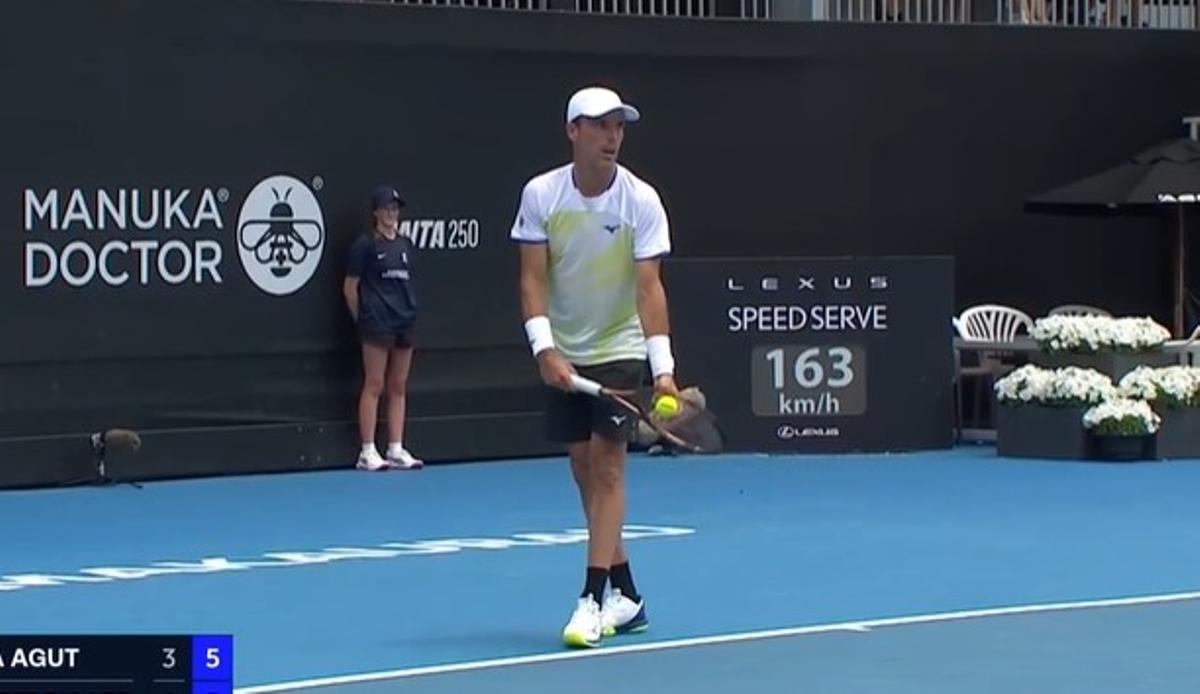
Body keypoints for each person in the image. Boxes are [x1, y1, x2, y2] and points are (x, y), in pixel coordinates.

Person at [510, 85, 680, 648]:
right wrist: (545, 350)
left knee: (608, 469)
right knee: (583, 470)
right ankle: (628, 594)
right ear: (572, 132)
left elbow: (650, 288)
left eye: (619, 127)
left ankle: (592, 598)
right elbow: (532, 279)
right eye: (600, 126)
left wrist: (662, 370)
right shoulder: (541, 194)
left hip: (620, 346)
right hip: (566, 346)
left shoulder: (641, 200)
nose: (612, 137)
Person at [343, 185, 424, 472]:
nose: (391, 213)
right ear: (376, 212)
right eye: (386, 208)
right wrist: (363, 318)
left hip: (404, 320)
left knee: (398, 385)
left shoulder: (405, 245)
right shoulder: (364, 246)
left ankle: (395, 448)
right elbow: (350, 288)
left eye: (395, 208)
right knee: (374, 384)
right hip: (376, 323)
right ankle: (367, 451)